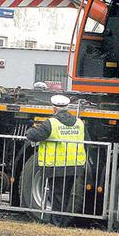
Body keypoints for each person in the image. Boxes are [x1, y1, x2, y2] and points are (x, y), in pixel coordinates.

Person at [25, 95, 87, 227]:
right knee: (65, 196)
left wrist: (29, 127)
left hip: (56, 165)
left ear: (54, 109)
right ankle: (61, 222)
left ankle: (56, 223)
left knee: (56, 195)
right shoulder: (79, 122)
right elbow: (88, 141)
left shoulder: (51, 123)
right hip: (74, 165)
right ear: (67, 108)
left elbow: (33, 135)